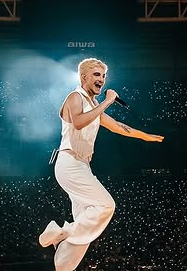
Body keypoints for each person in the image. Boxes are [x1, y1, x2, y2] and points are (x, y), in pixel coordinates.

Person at [38, 57, 164, 271]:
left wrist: (144, 136)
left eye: (104, 76)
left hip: (82, 166)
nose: (102, 79)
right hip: (69, 163)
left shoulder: (93, 105)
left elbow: (117, 126)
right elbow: (79, 122)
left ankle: (63, 266)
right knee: (106, 205)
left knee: (85, 223)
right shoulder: (75, 97)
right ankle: (62, 232)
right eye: (97, 74)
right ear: (83, 77)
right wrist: (108, 101)